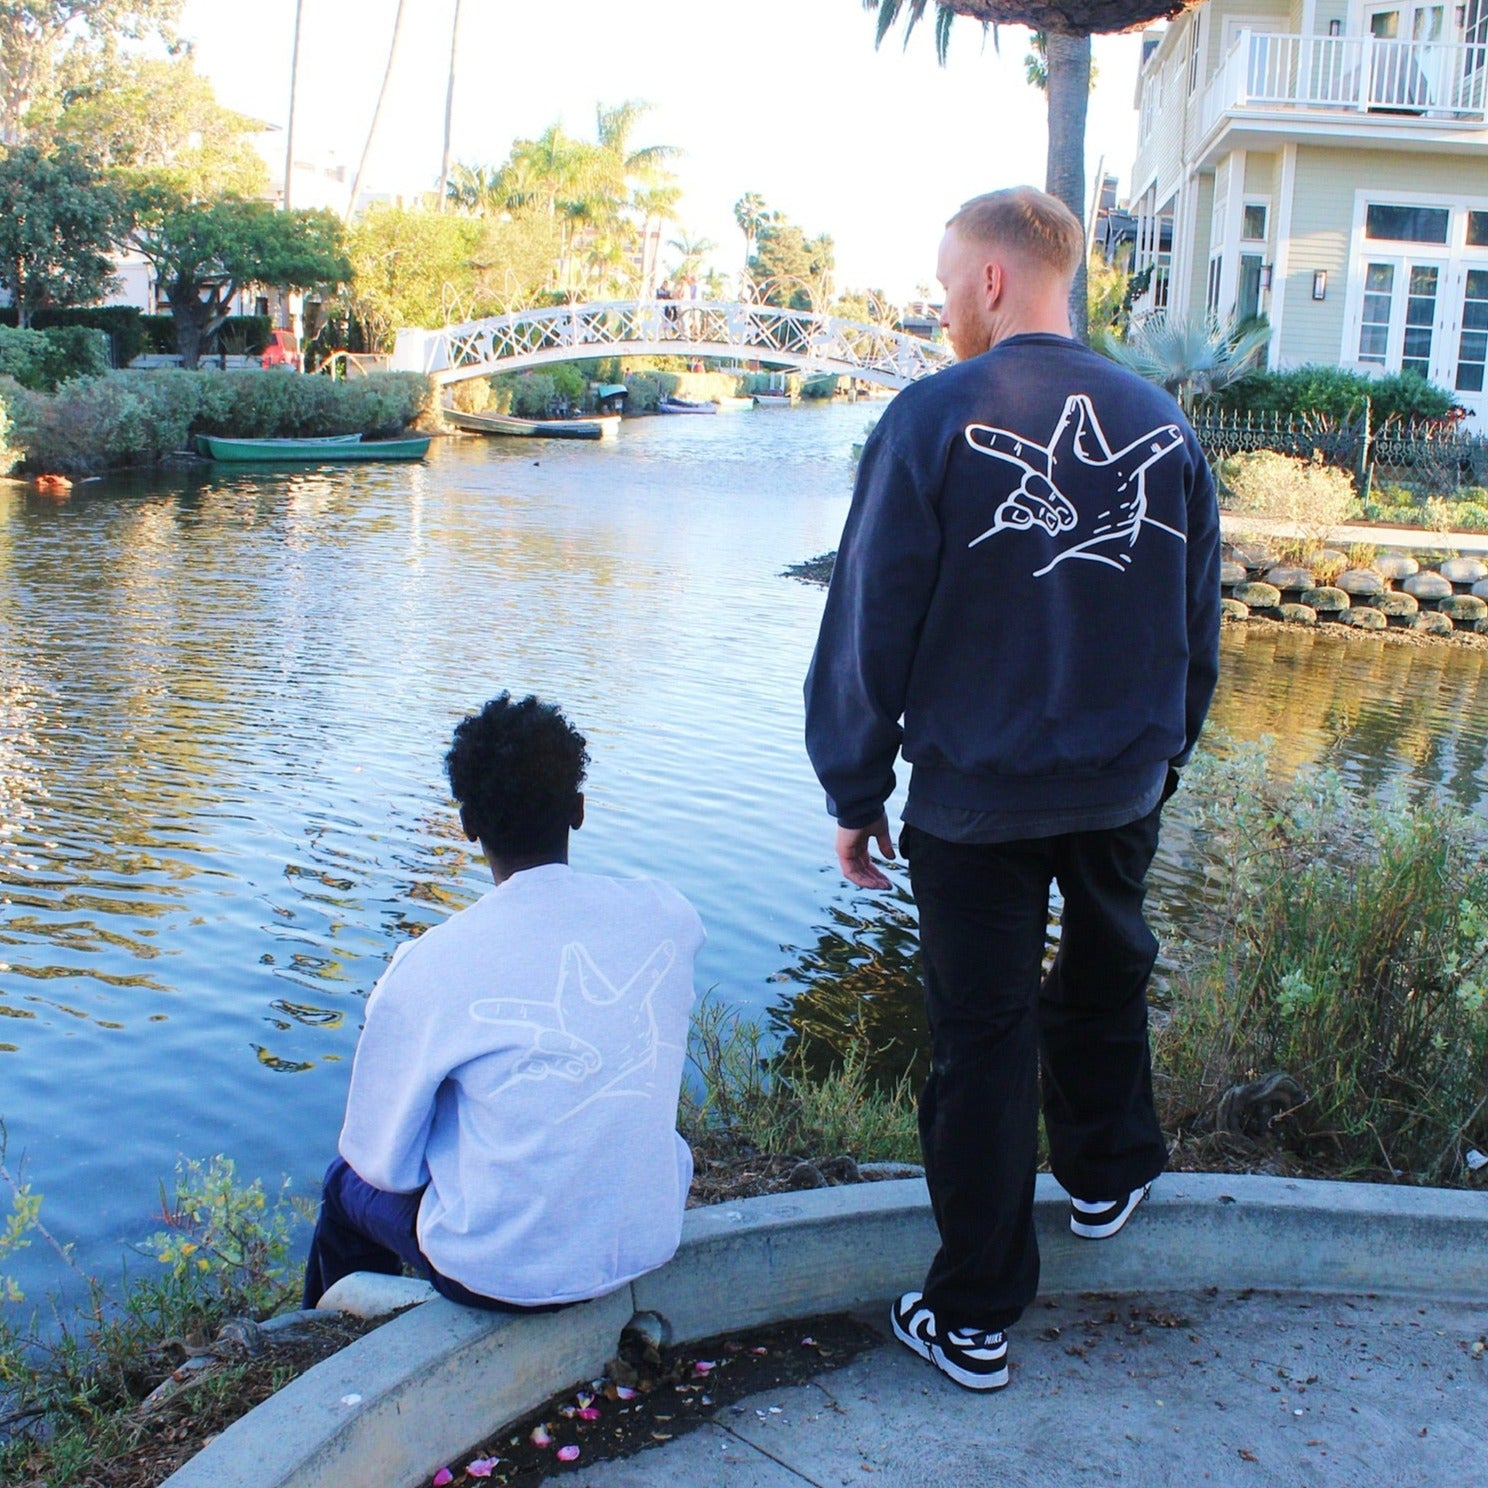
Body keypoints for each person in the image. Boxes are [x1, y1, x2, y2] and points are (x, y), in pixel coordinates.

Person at [803, 187, 1220, 1392]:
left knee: (980, 1038)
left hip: (975, 798)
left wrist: (853, 784)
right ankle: (1105, 1176)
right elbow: (1201, 624)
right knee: (1105, 972)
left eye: (945, 286)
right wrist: (1164, 753)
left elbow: (871, 616)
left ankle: (976, 1313)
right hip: (1119, 781)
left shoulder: (934, 418)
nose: (942, 310)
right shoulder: (1162, 419)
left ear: (993, 280)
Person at [302, 693, 704, 1312]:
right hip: (647, 1238)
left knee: (345, 1186)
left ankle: (335, 1351)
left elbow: (385, 1167)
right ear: (578, 809)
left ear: (468, 827)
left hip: (503, 1276)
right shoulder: (669, 917)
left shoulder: (430, 965)